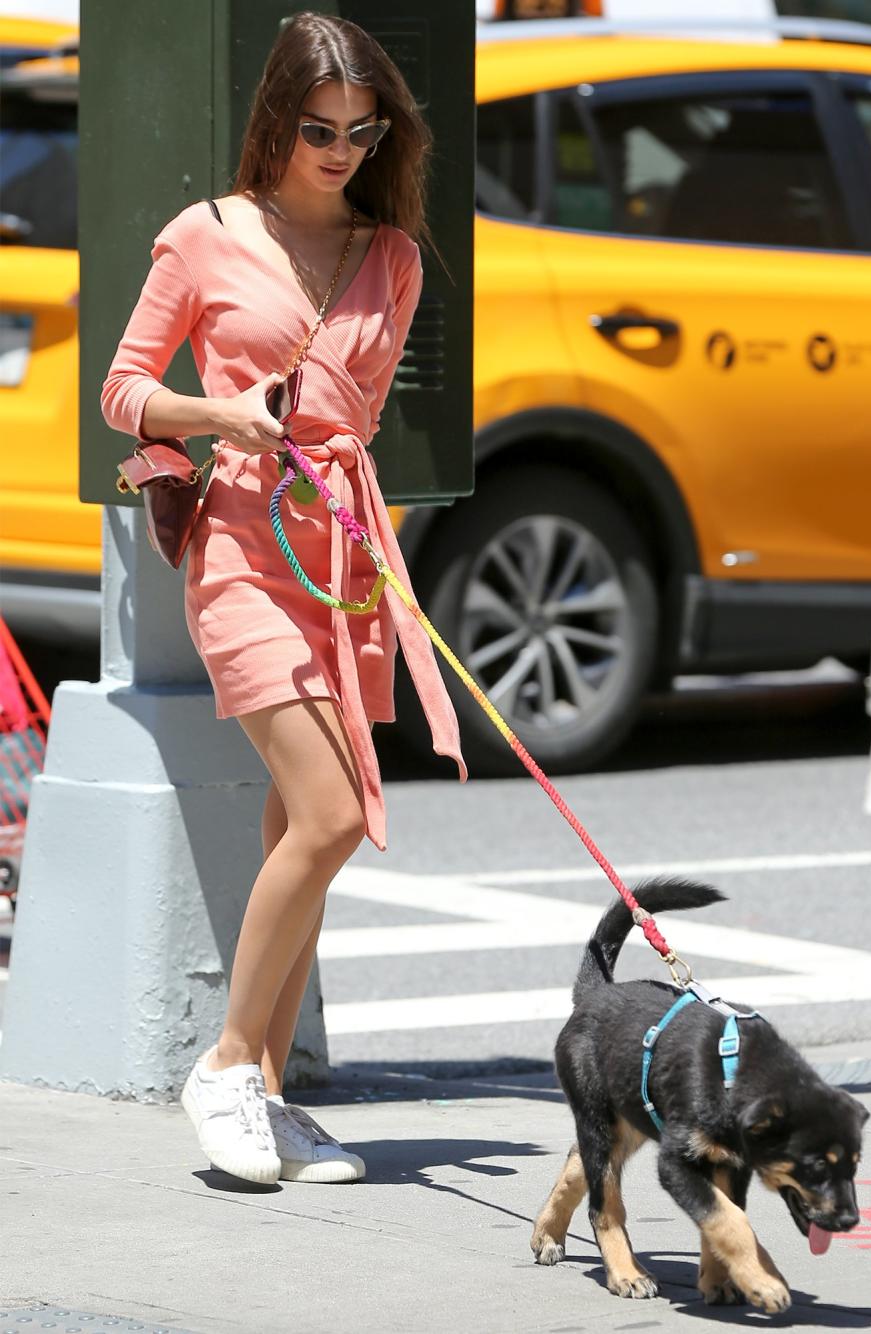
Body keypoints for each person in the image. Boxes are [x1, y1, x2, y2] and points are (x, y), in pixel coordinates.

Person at [101, 12, 466, 1186]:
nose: (341, 150)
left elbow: (355, 419)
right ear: (275, 118)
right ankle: (222, 1065)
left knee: (295, 825)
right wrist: (221, 417)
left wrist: (356, 514)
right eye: (318, 128)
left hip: (347, 553)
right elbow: (122, 391)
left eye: (363, 132)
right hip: (244, 546)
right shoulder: (204, 238)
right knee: (334, 811)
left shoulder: (394, 255)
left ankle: (266, 1088)